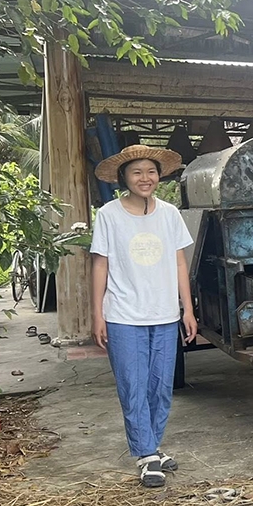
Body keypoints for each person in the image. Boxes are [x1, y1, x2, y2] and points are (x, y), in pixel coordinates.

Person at [90, 145, 198, 488]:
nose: (145, 178)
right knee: (132, 385)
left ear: (159, 176)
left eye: (151, 171)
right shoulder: (109, 215)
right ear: (123, 177)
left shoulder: (169, 214)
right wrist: (97, 313)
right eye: (136, 172)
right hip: (123, 314)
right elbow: (100, 264)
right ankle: (146, 454)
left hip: (164, 313)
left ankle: (151, 445)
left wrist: (187, 308)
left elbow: (179, 262)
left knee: (160, 386)